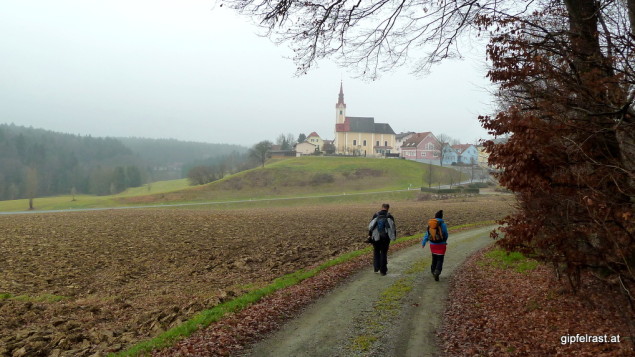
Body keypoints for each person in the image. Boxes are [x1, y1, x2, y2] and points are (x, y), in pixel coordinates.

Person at [368, 203, 397, 276]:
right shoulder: (389, 216)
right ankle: (383, 271)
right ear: (388, 208)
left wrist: (369, 236)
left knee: (376, 251)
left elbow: (371, 226)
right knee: (384, 253)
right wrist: (394, 237)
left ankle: (376, 268)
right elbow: (393, 228)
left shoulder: (376, 215)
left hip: (376, 237)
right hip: (385, 237)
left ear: (382, 207)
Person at [422, 210, 449, 281]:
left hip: (432, 244)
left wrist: (424, 242)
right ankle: (437, 271)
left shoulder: (430, 224)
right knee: (440, 259)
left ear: (435, 216)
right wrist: (444, 241)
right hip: (441, 245)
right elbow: (446, 234)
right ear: (441, 217)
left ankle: (433, 271)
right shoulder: (443, 224)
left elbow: (427, 234)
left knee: (434, 258)